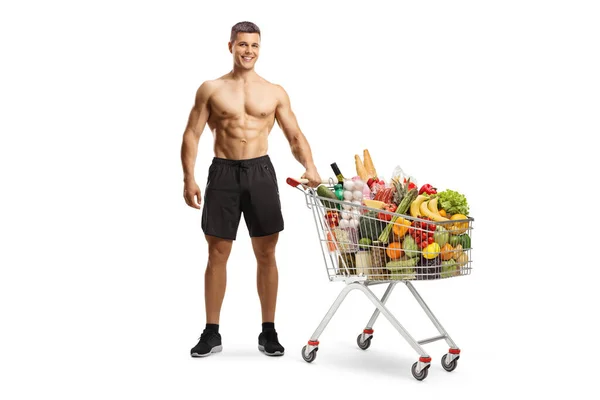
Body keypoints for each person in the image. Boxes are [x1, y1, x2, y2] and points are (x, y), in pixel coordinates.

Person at [180, 21, 322, 357]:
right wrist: (189, 178)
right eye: (242, 44)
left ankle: (268, 331)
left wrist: (310, 166)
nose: (248, 51)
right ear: (230, 46)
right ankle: (211, 332)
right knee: (217, 253)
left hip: (260, 171)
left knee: (267, 253)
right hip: (224, 173)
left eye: (254, 45)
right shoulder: (211, 88)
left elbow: (295, 136)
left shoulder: (274, 91)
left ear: (260, 49)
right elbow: (191, 134)